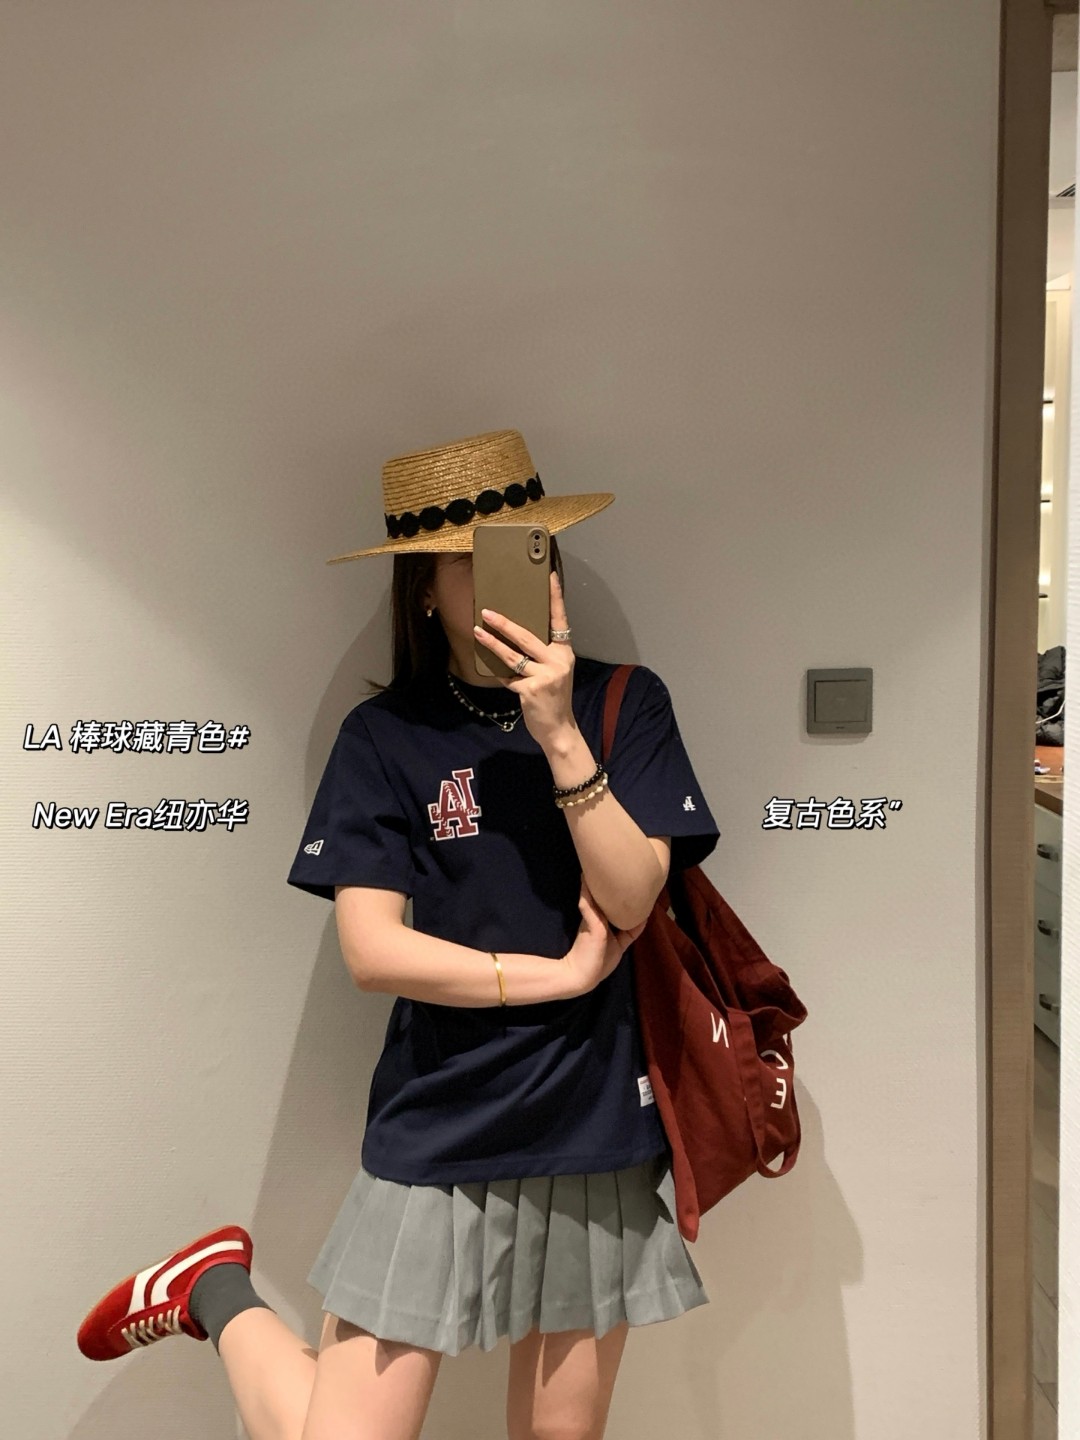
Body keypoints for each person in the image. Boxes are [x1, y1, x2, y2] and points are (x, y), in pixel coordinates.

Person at [75, 429, 722, 1440]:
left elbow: (634, 897)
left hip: (596, 1114)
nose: (503, 580)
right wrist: (557, 977)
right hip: (443, 1116)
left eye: (524, 549)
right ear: (422, 589)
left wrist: (558, 731)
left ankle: (210, 1289)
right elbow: (372, 951)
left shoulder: (621, 704)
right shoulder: (384, 737)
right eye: (469, 561)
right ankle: (214, 1291)